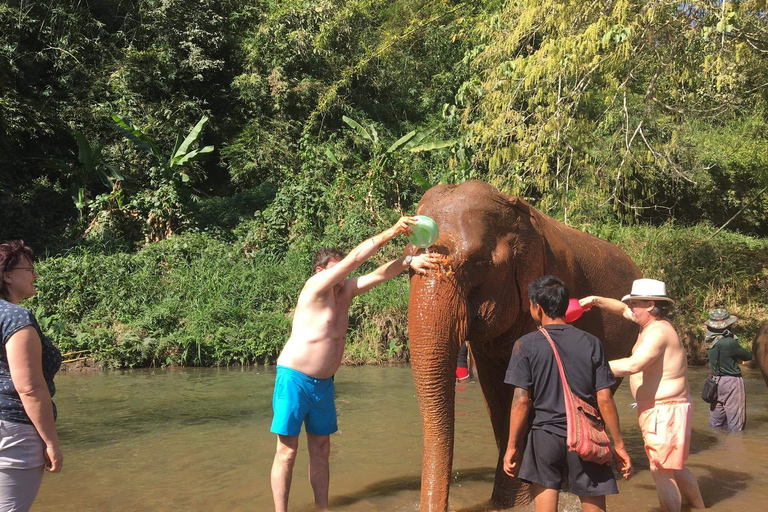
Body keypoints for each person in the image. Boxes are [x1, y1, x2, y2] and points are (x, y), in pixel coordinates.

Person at [270, 217, 440, 512]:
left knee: (321, 450)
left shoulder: (344, 291)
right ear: (321, 271)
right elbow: (355, 260)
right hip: (294, 379)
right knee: (287, 452)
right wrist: (391, 232)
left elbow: (377, 274)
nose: (343, 274)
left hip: (323, 385)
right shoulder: (315, 287)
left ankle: (322, 508)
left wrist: (409, 260)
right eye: (336, 269)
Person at [503, 276, 632, 512]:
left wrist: (511, 445)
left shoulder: (525, 344)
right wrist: (619, 444)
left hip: (544, 435)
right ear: (564, 306)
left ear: (537, 307)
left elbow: (521, 401)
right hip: (587, 434)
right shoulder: (591, 343)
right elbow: (604, 398)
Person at [580, 278, 705, 512]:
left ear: (649, 305)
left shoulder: (658, 331)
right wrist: (595, 301)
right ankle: (700, 508)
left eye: (634, 303)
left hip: (664, 410)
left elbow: (633, 365)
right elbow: (620, 308)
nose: (630, 307)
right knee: (673, 467)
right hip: (664, 409)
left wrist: (588, 366)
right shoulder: (649, 323)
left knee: (660, 469)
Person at [0, 240, 63, 512]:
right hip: (14, 432)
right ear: (7, 275)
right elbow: (29, 387)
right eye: (29, 268)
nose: (35, 274)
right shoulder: (15, 318)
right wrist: (51, 442)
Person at [704, 309, 751, 432]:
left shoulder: (709, 342)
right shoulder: (729, 343)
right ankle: (735, 448)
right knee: (736, 423)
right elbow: (748, 356)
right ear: (727, 325)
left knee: (716, 422)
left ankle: (716, 447)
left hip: (715, 382)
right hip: (732, 383)